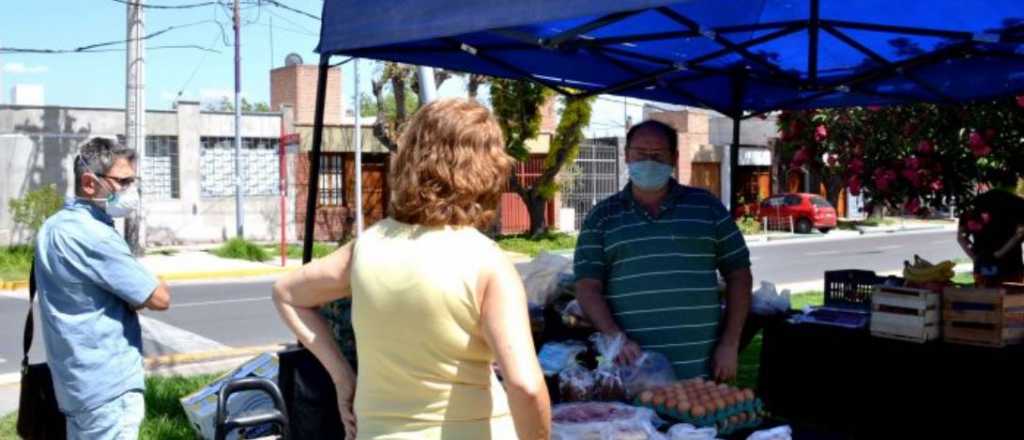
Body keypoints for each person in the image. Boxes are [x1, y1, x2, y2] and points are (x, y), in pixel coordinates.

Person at [273, 98, 551, 440]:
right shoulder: (487, 261)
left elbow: (287, 294)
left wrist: (343, 379)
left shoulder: (367, 247)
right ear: (489, 169)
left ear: (409, 159)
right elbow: (524, 385)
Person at [574, 120, 753, 381]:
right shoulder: (601, 217)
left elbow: (739, 275)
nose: (648, 162)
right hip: (631, 374)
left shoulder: (707, 208)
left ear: (675, 158)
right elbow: (587, 286)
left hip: (701, 374)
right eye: (640, 154)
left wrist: (730, 344)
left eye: (657, 155)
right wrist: (615, 336)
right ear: (626, 156)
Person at [34, 137, 172, 439]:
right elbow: (159, 297)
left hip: (75, 385)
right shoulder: (96, 237)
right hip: (108, 389)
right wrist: (148, 287)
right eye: (123, 182)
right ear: (89, 182)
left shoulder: (52, 227)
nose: (130, 191)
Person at [957, 187, 1024, 286]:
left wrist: (975, 258)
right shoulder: (1017, 204)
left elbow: (961, 238)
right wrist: (998, 254)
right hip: (1011, 266)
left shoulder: (972, 208)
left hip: (982, 265)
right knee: (1011, 298)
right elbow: (1019, 234)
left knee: (985, 297)